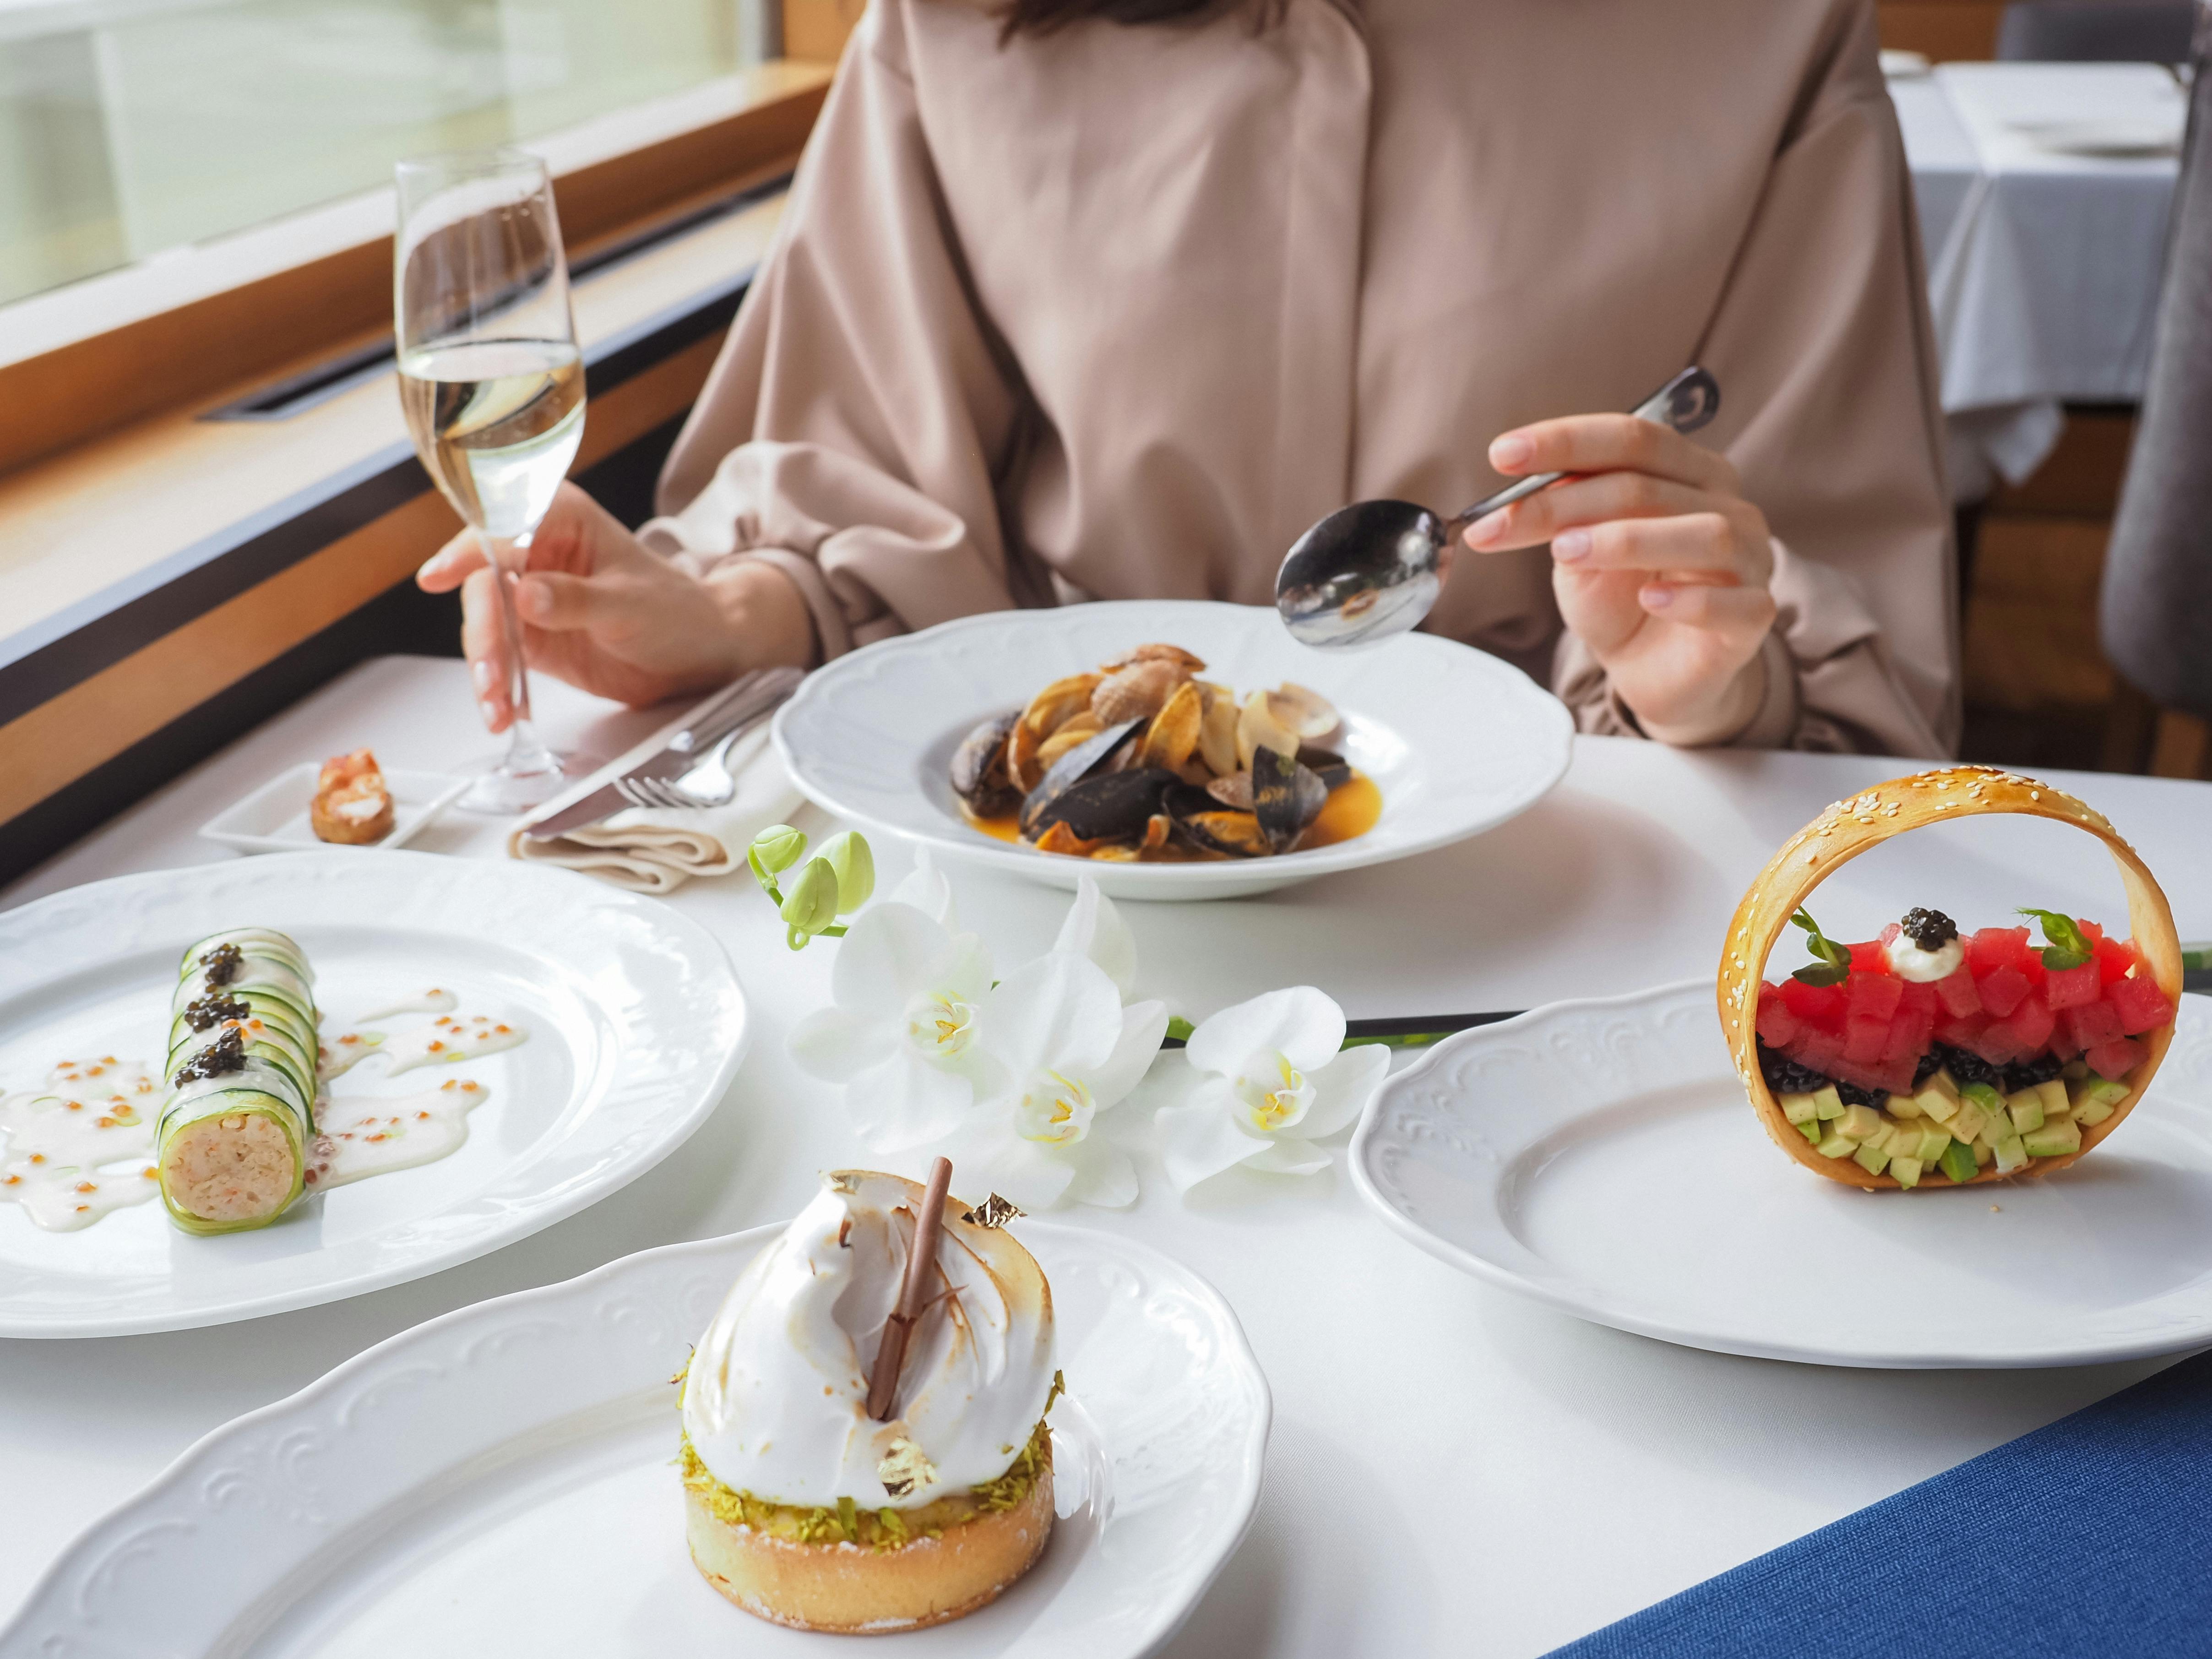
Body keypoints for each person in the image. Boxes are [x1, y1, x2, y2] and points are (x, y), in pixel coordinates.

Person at [418, 0, 1958, 756]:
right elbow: (872, 502)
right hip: (1035, 870)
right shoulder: (945, 28)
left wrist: (1706, 683)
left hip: (1555, 890)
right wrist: (712, 619)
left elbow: (1830, 644)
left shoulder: (1767, 34)